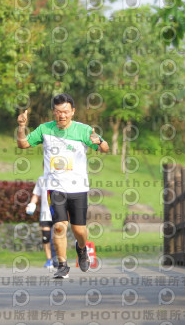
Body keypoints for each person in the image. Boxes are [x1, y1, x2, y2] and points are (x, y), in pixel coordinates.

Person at [17, 93, 109, 279]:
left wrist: (99, 141)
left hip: (78, 188)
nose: (62, 115)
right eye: (58, 112)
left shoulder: (83, 130)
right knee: (59, 226)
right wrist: (21, 127)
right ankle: (62, 265)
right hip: (55, 187)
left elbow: (105, 148)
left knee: (79, 230)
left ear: (73, 112)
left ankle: (81, 248)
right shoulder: (45, 129)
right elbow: (23, 144)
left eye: (66, 111)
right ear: (53, 112)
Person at [26, 176, 55, 270]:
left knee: (58, 237)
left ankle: (59, 259)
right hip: (45, 214)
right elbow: (36, 195)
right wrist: (31, 205)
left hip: (58, 214)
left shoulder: (60, 178)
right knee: (46, 237)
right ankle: (49, 259)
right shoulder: (41, 180)